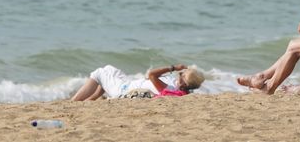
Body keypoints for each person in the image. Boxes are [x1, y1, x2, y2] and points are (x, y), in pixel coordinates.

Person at [71, 63, 205, 100]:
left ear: (184, 83)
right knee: (109, 68)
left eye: (181, 74)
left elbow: (151, 74)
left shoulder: (169, 88)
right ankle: (91, 99)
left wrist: (173, 67)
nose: (179, 74)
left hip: (123, 90)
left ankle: (74, 102)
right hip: (130, 83)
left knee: (99, 72)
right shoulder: (179, 88)